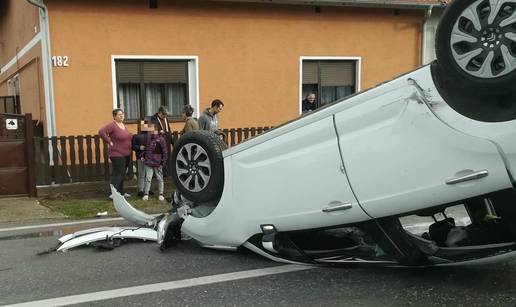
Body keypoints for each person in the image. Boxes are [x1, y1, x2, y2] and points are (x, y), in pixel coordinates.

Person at [99, 108, 133, 198]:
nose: (121, 116)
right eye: (119, 114)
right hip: (117, 154)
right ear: (114, 116)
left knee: (122, 173)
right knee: (118, 173)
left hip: (126, 153)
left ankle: (121, 192)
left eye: (122, 114)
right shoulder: (112, 125)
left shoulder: (123, 125)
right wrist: (109, 141)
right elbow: (101, 132)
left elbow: (125, 136)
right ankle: (112, 193)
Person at [142, 124, 168, 201]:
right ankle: (146, 194)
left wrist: (163, 161)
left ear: (156, 130)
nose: (151, 132)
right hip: (149, 162)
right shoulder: (148, 139)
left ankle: (161, 194)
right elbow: (145, 149)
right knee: (148, 178)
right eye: (150, 130)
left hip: (158, 163)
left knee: (160, 178)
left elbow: (165, 151)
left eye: (152, 130)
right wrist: (143, 156)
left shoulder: (161, 139)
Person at [131, 120, 153, 197]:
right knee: (142, 174)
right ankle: (141, 190)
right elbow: (132, 146)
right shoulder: (136, 136)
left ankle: (147, 189)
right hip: (141, 157)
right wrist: (140, 147)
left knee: (147, 174)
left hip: (149, 157)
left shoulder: (151, 136)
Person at [150, 106, 172, 176]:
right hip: (158, 143)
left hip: (166, 141)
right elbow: (151, 131)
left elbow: (169, 129)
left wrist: (171, 140)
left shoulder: (166, 119)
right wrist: (159, 132)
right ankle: (159, 174)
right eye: (163, 114)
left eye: (166, 115)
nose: (165, 116)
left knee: (167, 157)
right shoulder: (153, 119)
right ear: (159, 113)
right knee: (159, 158)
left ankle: (167, 173)